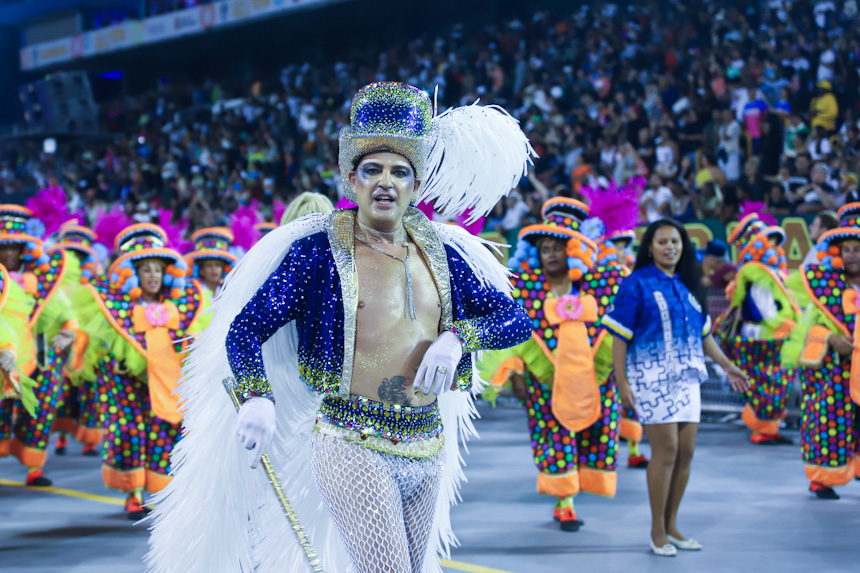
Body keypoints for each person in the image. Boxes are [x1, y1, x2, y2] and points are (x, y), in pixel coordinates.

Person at [147, 82, 534, 573]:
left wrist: (458, 339)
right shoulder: (316, 252)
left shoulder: (443, 252)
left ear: (416, 185)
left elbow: (514, 319)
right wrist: (257, 396)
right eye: (372, 170)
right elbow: (245, 330)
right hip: (351, 440)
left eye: (400, 172)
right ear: (351, 180)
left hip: (427, 440)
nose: (386, 183)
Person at [603, 219, 748, 556]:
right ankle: (656, 531)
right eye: (663, 242)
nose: (670, 247)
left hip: (688, 379)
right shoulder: (635, 284)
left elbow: (705, 335)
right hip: (650, 378)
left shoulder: (686, 285)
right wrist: (622, 382)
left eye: (675, 242)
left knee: (686, 454)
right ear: (650, 248)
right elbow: (619, 337)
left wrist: (727, 366)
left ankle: (672, 525)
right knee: (665, 450)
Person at [480, 196, 626, 532]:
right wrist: (515, 372)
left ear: (573, 249)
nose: (552, 254)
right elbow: (513, 332)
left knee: (595, 435)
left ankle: (579, 488)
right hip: (544, 382)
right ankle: (565, 503)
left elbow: (620, 322)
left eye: (559, 247)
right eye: (545, 248)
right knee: (554, 437)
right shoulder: (526, 290)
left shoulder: (599, 284)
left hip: (597, 379)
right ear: (536, 253)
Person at [75, 223, 208, 518]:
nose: (152, 276)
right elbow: (94, 338)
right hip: (126, 385)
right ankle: (133, 493)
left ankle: (162, 490)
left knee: (165, 432)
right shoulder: (113, 306)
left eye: (157, 270)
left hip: (167, 382)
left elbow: (195, 338)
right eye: (146, 270)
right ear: (133, 275)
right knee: (129, 433)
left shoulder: (182, 305)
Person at [782, 202, 860, 499]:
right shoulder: (823, 286)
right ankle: (822, 478)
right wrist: (830, 338)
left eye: (857, 248)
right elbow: (805, 329)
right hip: (833, 370)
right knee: (829, 421)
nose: (851, 254)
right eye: (847, 249)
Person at [0, 205, 79, 487]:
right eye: (3, 247)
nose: (9, 253)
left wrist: (69, 333)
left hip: (41, 356)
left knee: (42, 410)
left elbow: (66, 315)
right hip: (2, 357)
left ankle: (35, 467)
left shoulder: (43, 282)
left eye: (14, 247)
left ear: (23, 250)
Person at [714, 214, 799, 445]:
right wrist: (790, 326)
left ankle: (768, 428)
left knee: (772, 385)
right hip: (764, 338)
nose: (773, 247)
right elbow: (764, 308)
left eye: (774, 241)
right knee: (766, 385)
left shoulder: (770, 271)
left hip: (771, 337)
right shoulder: (756, 271)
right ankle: (762, 430)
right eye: (768, 241)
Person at [49, 224, 107, 457]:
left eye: (78, 254)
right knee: (64, 391)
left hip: (88, 341)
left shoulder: (93, 279)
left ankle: (89, 439)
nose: (73, 258)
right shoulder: (53, 278)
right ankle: (62, 435)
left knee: (89, 391)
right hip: (62, 339)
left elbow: (101, 309)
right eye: (69, 253)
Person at [184, 227, 238, 299]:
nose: (214, 269)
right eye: (209, 265)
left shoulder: (229, 293)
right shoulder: (190, 292)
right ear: (201, 270)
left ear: (223, 269)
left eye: (218, 265)